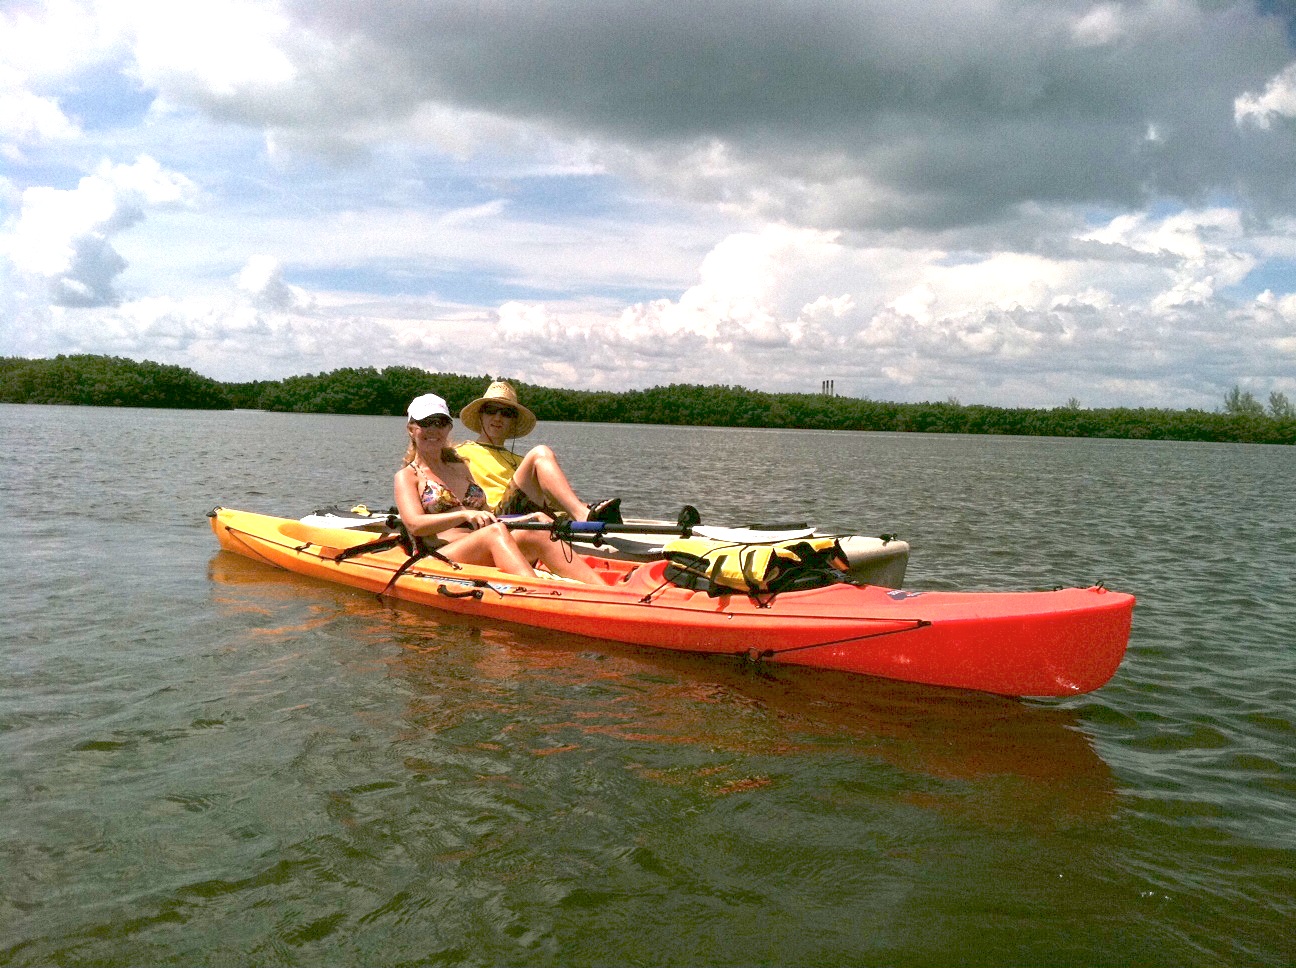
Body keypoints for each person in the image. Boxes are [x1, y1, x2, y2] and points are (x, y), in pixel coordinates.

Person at [394, 393, 600, 583]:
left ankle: (605, 592)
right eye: (426, 423)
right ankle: (535, 594)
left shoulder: (460, 466)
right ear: (412, 429)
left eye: (440, 423)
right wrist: (464, 515)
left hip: (482, 544)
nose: (433, 430)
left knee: (538, 533)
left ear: (448, 428)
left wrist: (531, 517)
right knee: (494, 533)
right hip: (440, 554)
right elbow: (415, 524)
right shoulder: (407, 476)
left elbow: (489, 516)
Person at [455, 380, 623, 523]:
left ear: (513, 421)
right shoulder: (460, 453)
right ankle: (583, 516)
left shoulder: (521, 463)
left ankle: (587, 513)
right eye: (491, 410)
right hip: (498, 518)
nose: (498, 418)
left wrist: (591, 507)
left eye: (506, 413)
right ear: (481, 416)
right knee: (541, 453)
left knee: (542, 464)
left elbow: (553, 499)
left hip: (532, 512)